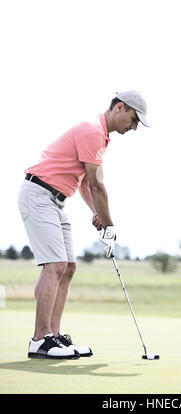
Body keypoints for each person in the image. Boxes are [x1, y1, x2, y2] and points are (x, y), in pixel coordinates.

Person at [18, 90, 149, 359]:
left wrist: (97, 214)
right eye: (134, 120)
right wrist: (110, 226)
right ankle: (39, 339)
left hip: (55, 199)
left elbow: (86, 185)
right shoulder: (92, 131)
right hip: (39, 194)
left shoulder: (100, 137)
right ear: (120, 108)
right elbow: (97, 184)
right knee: (54, 265)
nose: (134, 127)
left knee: (68, 267)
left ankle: (54, 336)